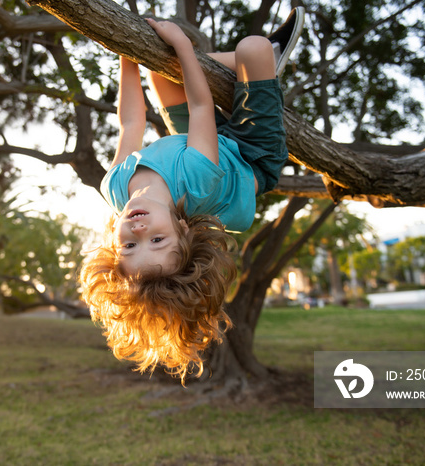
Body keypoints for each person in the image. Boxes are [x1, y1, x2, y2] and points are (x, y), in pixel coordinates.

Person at [80, 8, 305, 382]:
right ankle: (259, 66)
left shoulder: (115, 187)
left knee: (159, 68)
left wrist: (126, 55)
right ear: (184, 230)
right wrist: (184, 44)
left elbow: (131, 122)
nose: (138, 232)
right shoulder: (195, 181)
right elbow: (201, 105)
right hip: (251, 154)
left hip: (198, 142)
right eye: (157, 239)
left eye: (130, 248)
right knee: (254, 48)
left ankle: (241, 77)